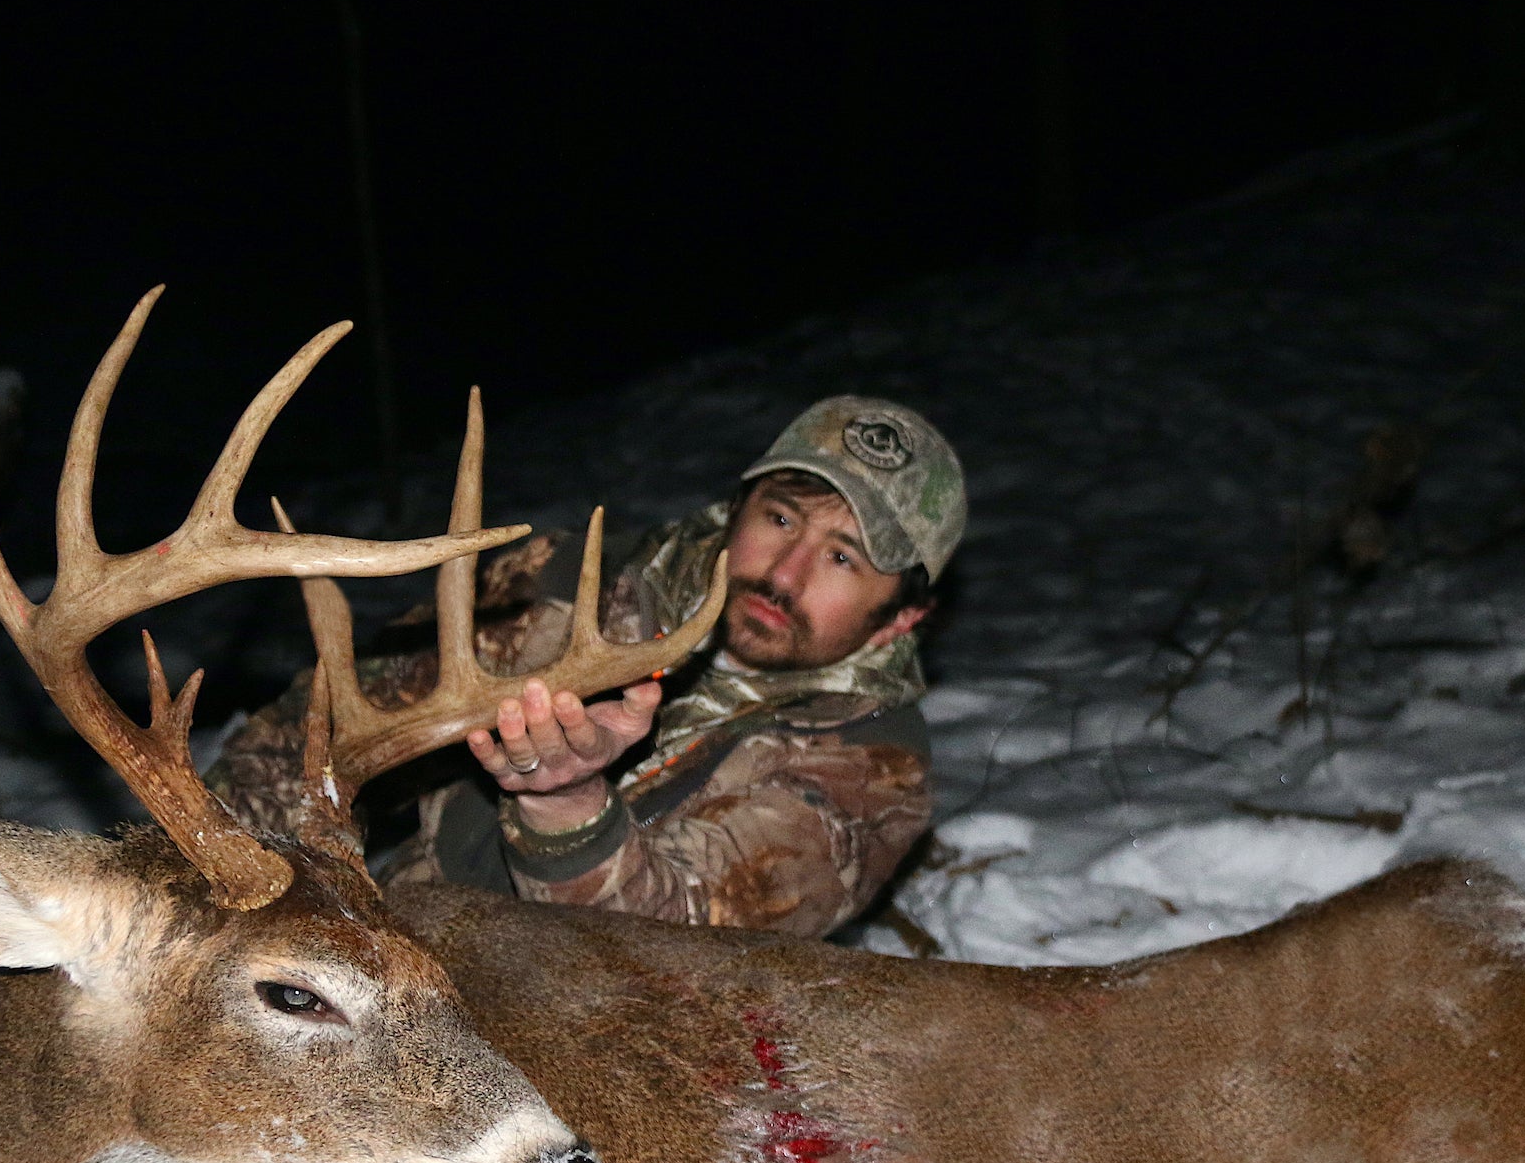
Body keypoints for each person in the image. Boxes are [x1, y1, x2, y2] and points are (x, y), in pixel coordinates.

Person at [211, 396, 965, 937]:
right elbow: (319, 726)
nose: (785, 574)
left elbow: (677, 949)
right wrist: (235, 884)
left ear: (903, 616)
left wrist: (566, 805)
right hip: (377, 951)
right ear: (736, 510)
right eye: (779, 519)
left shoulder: (874, 771)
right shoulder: (565, 586)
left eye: (842, 557)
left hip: (593, 1064)